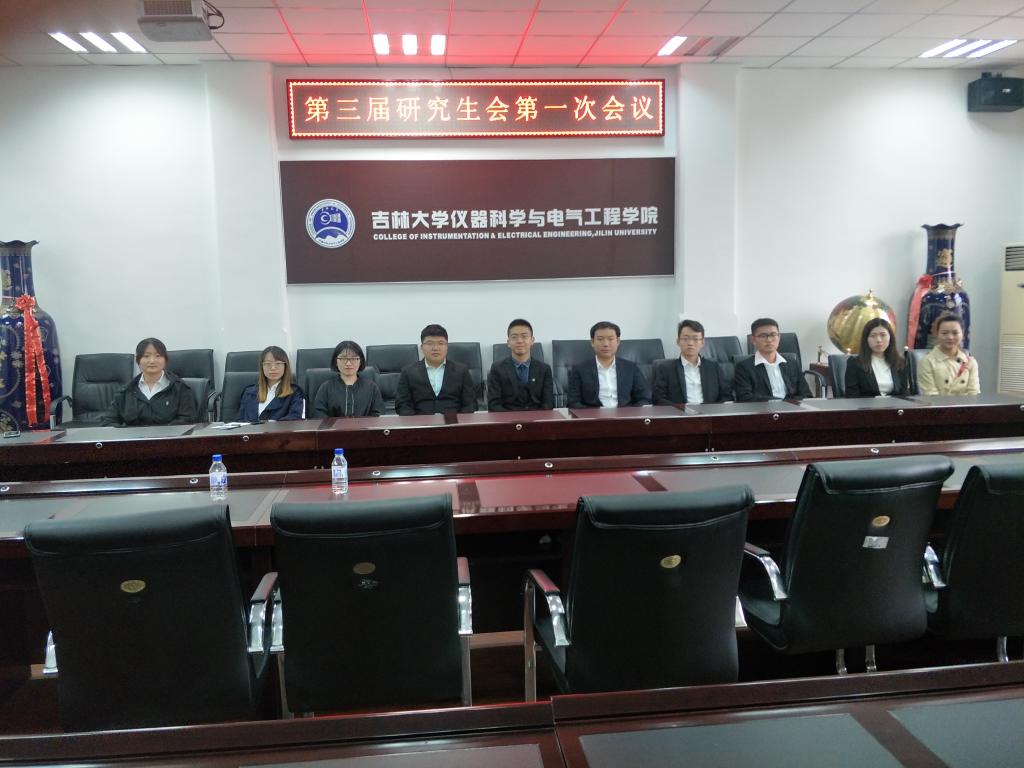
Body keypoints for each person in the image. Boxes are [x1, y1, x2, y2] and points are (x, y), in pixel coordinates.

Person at [102, 338, 198, 426]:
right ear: (138, 360)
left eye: (158, 356)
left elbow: (188, 421)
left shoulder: (180, 388)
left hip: (169, 438)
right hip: (133, 439)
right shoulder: (126, 391)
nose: (152, 361)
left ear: (165, 360)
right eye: (146, 356)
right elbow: (108, 422)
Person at [395, 324, 477, 414]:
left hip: (452, 420)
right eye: (430, 343)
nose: (435, 348)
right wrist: (418, 421)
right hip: (421, 420)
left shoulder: (461, 371)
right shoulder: (408, 372)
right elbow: (402, 405)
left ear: (447, 347)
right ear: (422, 348)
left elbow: (470, 404)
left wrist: (458, 421)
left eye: (441, 343)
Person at [566, 321, 651, 408]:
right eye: (600, 339)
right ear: (592, 342)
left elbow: (644, 397)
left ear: (618, 341)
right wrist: (592, 413)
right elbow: (573, 402)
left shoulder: (631, 368)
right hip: (594, 415)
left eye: (610, 339)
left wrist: (631, 413)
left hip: (624, 414)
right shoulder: (580, 370)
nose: (606, 344)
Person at [652, 319, 729, 405]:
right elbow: (658, 399)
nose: (690, 343)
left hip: (709, 412)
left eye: (695, 339)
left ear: (702, 342)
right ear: (678, 341)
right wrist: (682, 408)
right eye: (686, 338)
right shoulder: (666, 369)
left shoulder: (713, 368)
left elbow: (726, 396)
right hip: (680, 412)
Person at [733, 318, 812, 401]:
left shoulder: (792, 363)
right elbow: (744, 398)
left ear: (779, 337)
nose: (769, 340)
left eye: (773, 335)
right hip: (762, 408)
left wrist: (790, 404)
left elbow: (806, 395)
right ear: (753, 340)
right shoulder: (744, 367)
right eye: (763, 336)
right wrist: (781, 403)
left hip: (792, 407)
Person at [487, 319, 554, 411]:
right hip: (508, 417)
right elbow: (494, 404)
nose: (519, 341)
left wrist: (537, 418)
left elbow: (548, 403)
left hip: (537, 417)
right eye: (514, 337)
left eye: (524, 336)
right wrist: (512, 419)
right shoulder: (497, 368)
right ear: (508, 342)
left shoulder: (544, 369)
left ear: (532, 340)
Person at [311, 340, 383, 417]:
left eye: (353, 358)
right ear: (336, 362)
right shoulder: (326, 388)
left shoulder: (372, 388)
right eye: (343, 359)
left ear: (360, 362)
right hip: (333, 425)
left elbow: (378, 415)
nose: (348, 363)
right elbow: (318, 415)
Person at [844, 318, 910, 397]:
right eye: (873, 336)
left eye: (883, 335)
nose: (878, 340)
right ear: (866, 339)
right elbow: (852, 396)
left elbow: (904, 394)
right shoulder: (855, 363)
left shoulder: (899, 362)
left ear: (890, 337)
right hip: (867, 404)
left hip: (894, 404)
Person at [917, 313, 979, 395]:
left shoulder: (970, 362)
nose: (950, 337)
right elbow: (931, 394)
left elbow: (974, 393)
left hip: (966, 403)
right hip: (937, 403)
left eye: (955, 333)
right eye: (944, 333)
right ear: (937, 334)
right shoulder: (927, 361)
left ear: (963, 334)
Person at [237, 345, 305, 421]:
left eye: (278, 363)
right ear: (262, 367)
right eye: (268, 363)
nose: (273, 368)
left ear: (285, 366)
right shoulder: (249, 392)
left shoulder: (295, 392)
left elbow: (295, 419)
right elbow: (240, 421)